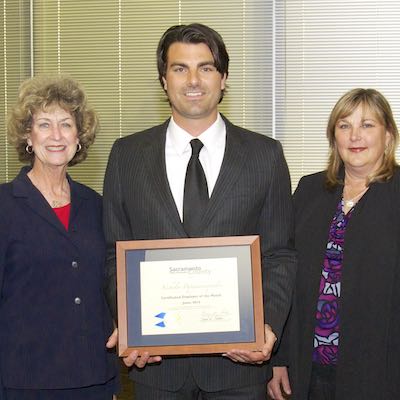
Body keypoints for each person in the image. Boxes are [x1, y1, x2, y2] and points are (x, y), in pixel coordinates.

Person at [103, 23, 296, 399]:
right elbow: (114, 253)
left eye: (205, 68)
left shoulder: (265, 156)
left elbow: (279, 254)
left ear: (223, 78)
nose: (193, 80)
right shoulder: (126, 156)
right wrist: (128, 323)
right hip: (156, 371)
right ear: (163, 79)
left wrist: (267, 325)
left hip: (237, 370)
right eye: (180, 68)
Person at [267, 88, 400, 400]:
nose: (355, 136)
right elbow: (286, 277)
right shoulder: (310, 190)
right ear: (334, 136)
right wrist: (279, 359)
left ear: (388, 135)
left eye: (367, 125)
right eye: (344, 126)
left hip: (381, 369)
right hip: (309, 369)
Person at [0, 75, 118, 399]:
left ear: (79, 137)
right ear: (27, 135)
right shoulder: (4, 206)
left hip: (94, 376)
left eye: (66, 124)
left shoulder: (96, 205)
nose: (56, 136)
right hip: (25, 382)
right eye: (44, 125)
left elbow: (112, 282)